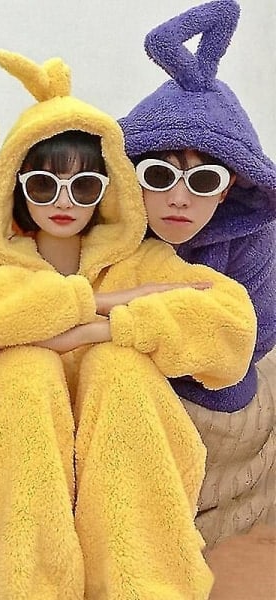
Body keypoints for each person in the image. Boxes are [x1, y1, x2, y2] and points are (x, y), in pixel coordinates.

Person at [0, 50, 257, 599]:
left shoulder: (141, 260)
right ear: (15, 187)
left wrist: (107, 330)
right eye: (44, 185)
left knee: (117, 366)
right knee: (23, 370)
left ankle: (141, 583)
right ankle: (29, 586)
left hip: (124, 493)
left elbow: (230, 325)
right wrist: (101, 301)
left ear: (107, 189)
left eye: (82, 186)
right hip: (8, 506)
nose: (63, 201)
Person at [119, 0, 276, 547]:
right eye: (159, 175)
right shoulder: (108, 229)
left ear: (230, 186)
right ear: (131, 174)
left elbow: (257, 334)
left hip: (211, 393)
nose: (180, 198)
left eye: (204, 180)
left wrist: (164, 336)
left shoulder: (254, 240)